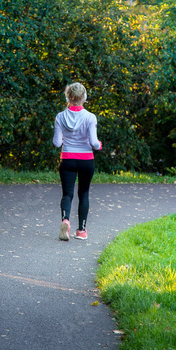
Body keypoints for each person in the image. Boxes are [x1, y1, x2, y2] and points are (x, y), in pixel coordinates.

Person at [52, 82, 102, 240]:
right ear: (84, 97)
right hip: (86, 161)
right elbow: (94, 143)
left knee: (67, 194)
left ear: (67, 98)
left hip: (67, 160)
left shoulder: (60, 116)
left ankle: (65, 220)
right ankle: (81, 230)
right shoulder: (90, 117)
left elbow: (57, 143)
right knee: (84, 193)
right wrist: (99, 145)